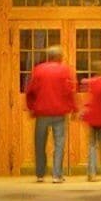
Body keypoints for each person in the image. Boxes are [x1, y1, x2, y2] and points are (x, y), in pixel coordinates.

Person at [22, 45, 75, 182]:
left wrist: (32, 108)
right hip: (59, 113)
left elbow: (30, 91)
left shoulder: (38, 70)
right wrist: (73, 108)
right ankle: (57, 175)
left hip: (42, 113)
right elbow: (69, 91)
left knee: (39, 144)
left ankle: (40, 174)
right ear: (59, 57)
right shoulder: (64, 70)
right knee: (59, 144)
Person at [78, 62, 101, 180]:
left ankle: (91, 173)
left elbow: (83, 82)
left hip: (92, 117)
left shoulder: (92, 82)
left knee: (92, 145)